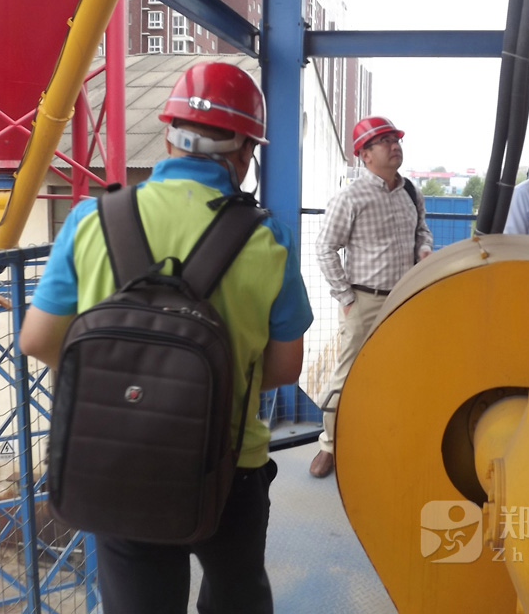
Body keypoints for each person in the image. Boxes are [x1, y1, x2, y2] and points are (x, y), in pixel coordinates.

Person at [19, 61, 313, 614]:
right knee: (237, 593)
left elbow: (36, 340)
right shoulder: (267, 237)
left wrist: (123, 376)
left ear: (169, 136)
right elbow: (284, 367)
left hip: (120, 458)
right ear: (244, 152)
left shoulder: (91, 219)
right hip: (231, 463)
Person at [311, 116, 433, 479]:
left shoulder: (411, 192)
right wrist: (346, 298)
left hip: (404, 300)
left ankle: (388, 436)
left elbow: (422, 230)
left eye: (396, 140)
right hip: (363, 301)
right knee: (345, 378)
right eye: (385, 141)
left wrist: (423, 249)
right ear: (365, 155)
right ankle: (329, 446)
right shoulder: (351, 197)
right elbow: (325, 247)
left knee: (400, 373)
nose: (395, 146)